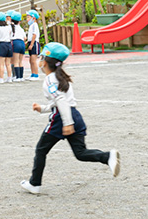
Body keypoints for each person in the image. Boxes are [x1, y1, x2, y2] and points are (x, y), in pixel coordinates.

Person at [20, 42, 119, 194]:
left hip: (62, 118)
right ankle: (107, 157)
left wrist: (67, 123)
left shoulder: (49, 80)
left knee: (41, 149)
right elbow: (62, 101)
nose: (39, 60)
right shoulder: (60, 77)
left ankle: (34, 183)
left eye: (41, 57)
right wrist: (43, 109)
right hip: (74, 114)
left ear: (45, 61)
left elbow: (60, 101)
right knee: (80, 153)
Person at [0, 12, 13, 83]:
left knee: (1, 63)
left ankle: (1, 78)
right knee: (8, 63)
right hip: (9, 44)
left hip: (2, 44)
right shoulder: (8, 27)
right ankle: (9, 77)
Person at [9, 10, 27, 81]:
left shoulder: (11, 27)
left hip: (15, 43)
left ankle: (17, 77)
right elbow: (25, 38)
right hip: (22, 43)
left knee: (15, 61)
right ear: (19, 21)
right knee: (20, 61)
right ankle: (21, 77)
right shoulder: (21, 28)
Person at [26, 9, 42, 79]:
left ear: (33, 18)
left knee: (33, 60)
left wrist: (31, 44)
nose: (27, 19)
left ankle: (36, 74)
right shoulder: (31, 25)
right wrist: (28, 42)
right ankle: (32, 74)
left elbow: (34, 35)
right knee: (30, 60)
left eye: (28, 17)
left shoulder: (34, 25)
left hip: (34, 43)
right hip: (31, 42)